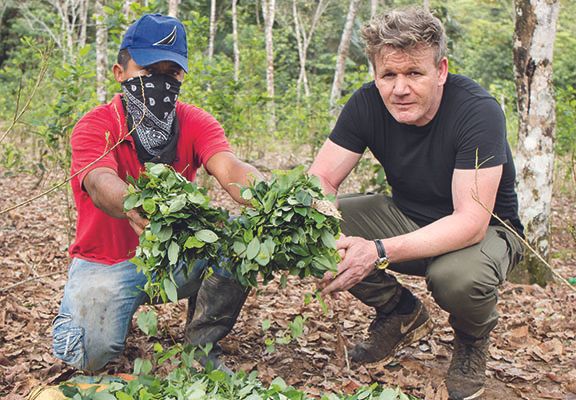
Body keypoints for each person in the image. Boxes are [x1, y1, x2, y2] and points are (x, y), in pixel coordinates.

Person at [310, 7, 524, 400]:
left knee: (456, 279)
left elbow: (471, 221)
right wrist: (321, 218)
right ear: (376, 74)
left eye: (414, 73)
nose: (400, 88)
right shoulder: (366, 104)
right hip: (407, 216)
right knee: (309, 224)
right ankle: (399, 311)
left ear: (441, 70)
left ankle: (472, 340)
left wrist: (375, 251)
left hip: (486, 231)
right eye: (388, 75)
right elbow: (321, 177)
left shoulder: (477, 111)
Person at [52, 14, 261, 372]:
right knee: (89, 356)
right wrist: (134, 204)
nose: (160, 84)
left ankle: (201, 347)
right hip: (107, 261)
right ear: (120, 73)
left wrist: (268, 192)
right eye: (148, 74)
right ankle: (109, 316)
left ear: (181, 77)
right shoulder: (97, 125)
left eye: (171, 74)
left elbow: (228, 166)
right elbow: (100, 182)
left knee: (238, 238)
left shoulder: (194, 121)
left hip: (174, 256)